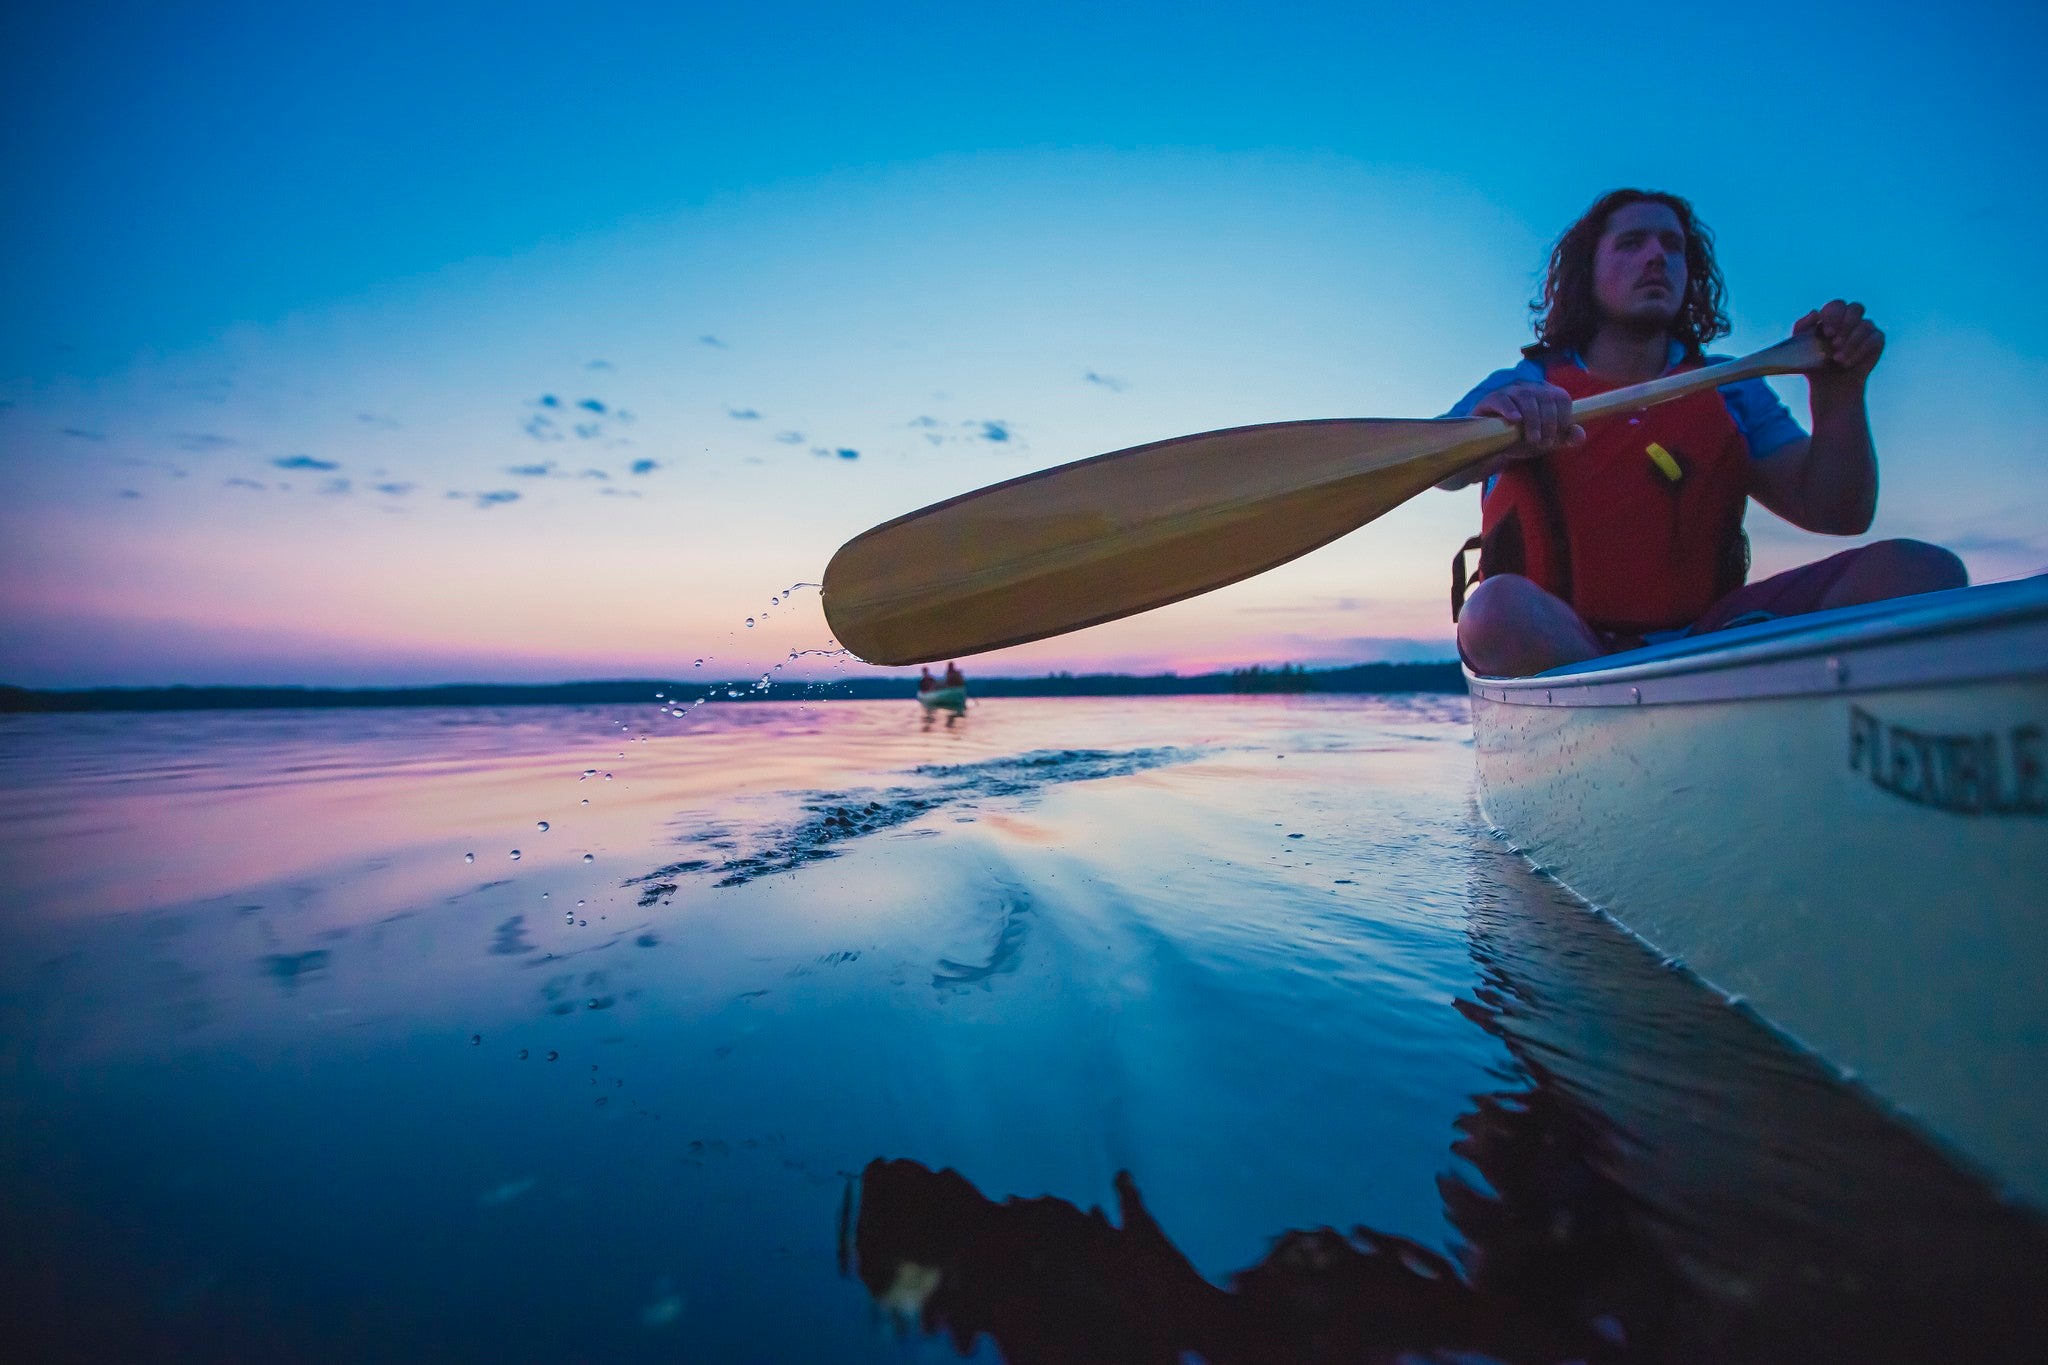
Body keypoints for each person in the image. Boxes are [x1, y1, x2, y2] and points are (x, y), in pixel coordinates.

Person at [1441, 188, 1965, 678]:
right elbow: (1445, 470)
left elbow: (1839, 513)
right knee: (1492, 609)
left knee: (1922, 571)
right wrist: (1495, 423)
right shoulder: (1524, 384)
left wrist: (1840, 394)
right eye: (1630, 243)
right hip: (1557, 645)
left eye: (1673, 246)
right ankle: (1637, 705)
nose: (1657, 257)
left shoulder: (1731, 387)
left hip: (1703, 642)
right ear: (1587, 272)